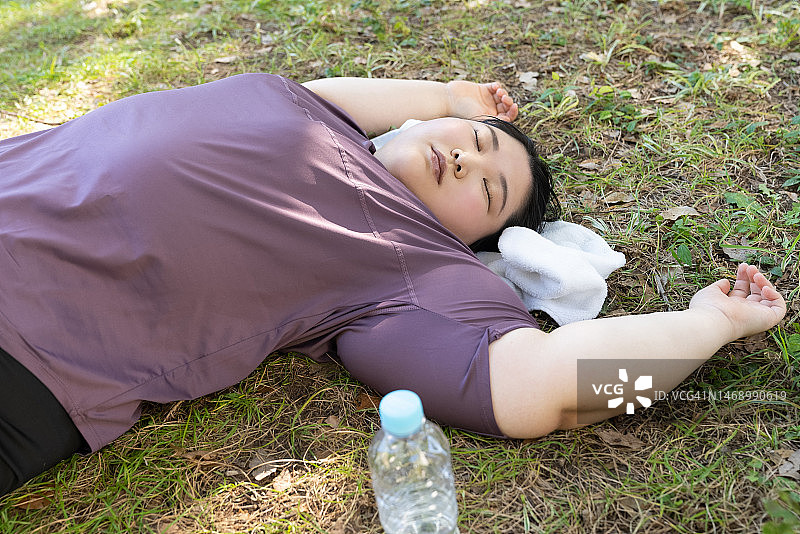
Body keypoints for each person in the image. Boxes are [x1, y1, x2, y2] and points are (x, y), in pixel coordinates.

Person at [0, 74, 786, 497]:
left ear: (467, 241)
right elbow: (336, 95)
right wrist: (449, 100)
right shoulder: (300, 106)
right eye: (476, 144)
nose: (470, 161)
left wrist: (706, 324)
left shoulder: (411, 263)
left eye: (485, 192)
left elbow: (538, 387)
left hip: (27, 357)